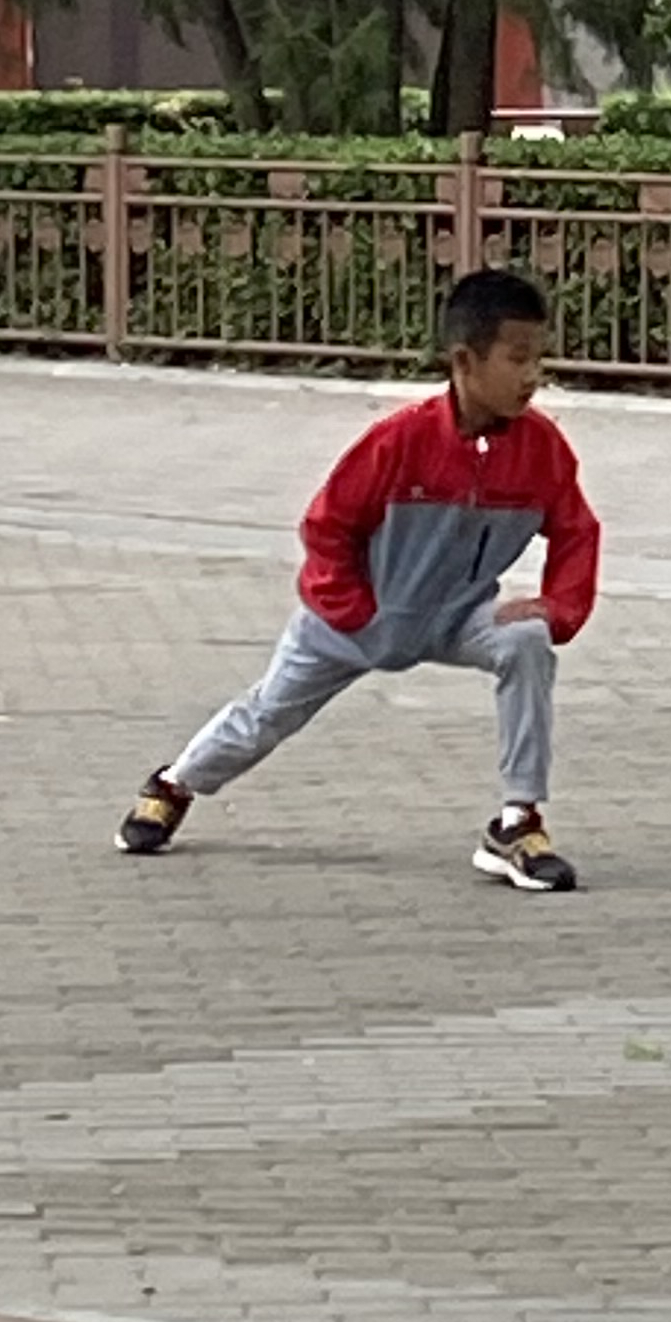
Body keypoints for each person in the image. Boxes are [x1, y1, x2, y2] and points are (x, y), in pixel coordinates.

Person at [115, 265, 600, 892]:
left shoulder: (543, 448)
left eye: (538, 358)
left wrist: (557, 608)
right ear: (464, 361)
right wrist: (354, 611)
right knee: (266, 715)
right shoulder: (398, 442)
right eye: (517, 358)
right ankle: (174, 784)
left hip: (457, 619)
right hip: (351, 621)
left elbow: (577, 530)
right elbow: (327, 527)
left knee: (526, 643)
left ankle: (517, 823)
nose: (533, 376)